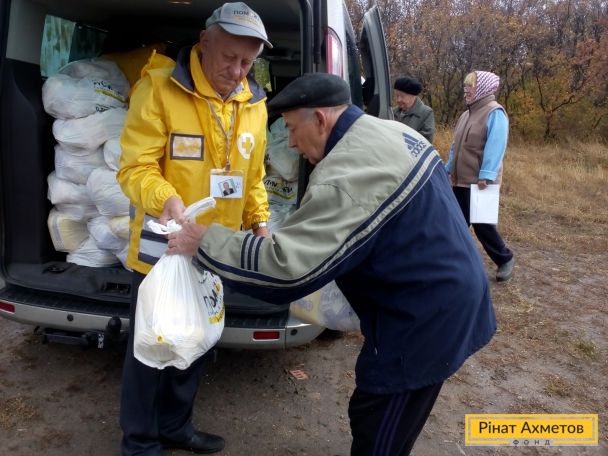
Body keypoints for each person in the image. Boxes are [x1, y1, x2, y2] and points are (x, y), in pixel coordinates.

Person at [167, 73, 497, 455]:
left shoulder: (343, 174)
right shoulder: (388, 131)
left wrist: (204, 241)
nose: (290, 142)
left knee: (381, 426)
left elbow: (287, 269)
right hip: (444, 292)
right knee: (375, 412)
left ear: (321, 120)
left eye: (291, 128)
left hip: (424, 319)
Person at [116, 2, 272, 454]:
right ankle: (140, 442)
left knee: (198, 340)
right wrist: (166, 198)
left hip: (215, 248)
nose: (238, 72)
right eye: (230, 58)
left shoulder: (255, 104)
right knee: (152, 347)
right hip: (162, 247)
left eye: (248, 63)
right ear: (205, 42)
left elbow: (253, 176)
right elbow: (135, 168)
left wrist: (259, 221)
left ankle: (176, 427)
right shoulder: (160, 89)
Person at [445, 70, 514, 282]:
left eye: (470, 86)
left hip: (482, 182)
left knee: (483, 227)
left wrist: (486, 174)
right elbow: (456, 146)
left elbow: (496, 146)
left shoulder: (495, 113)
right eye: (465, 86)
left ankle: (505, 259)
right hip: (460, 179)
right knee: (456, 223)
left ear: (483, 88)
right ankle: (450, 263)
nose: (466, 90)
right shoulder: (466, 114)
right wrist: (447, 168)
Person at [393, 76, 435, 143]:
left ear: (413, 96)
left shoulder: (426, 113)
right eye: (397, 96)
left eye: (402, 96)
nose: (398, 100)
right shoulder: (392, 111)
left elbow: (426, 140)